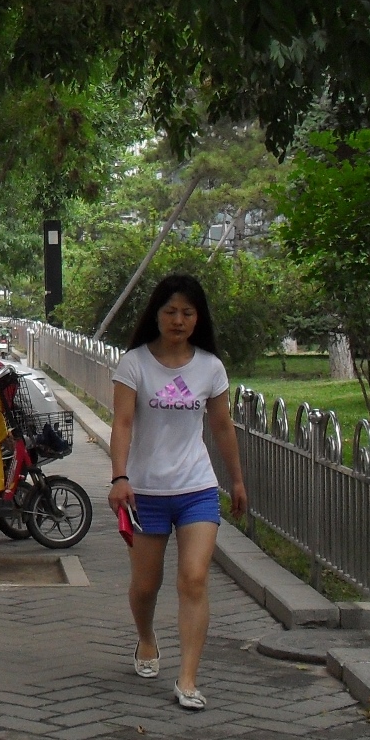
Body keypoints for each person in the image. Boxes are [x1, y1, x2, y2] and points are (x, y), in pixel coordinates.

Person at [107, 273, 248, 711]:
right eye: (171, 311)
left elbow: (222, 426)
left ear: (198, 318)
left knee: (194, 578)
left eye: (188, 312)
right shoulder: (134, 364)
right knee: (146, 585)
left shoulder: (210, 367)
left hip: (196, 489)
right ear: (157, 314)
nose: (179, 320)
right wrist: (118, 477)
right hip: (144, 492)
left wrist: (236, 480)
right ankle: (146, 637)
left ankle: (188, 679)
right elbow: (122, 423)